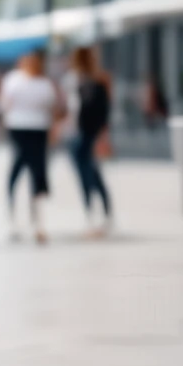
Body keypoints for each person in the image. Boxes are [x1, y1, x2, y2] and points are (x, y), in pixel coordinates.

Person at [0, 47, 63, 244]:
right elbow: (5, 104)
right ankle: (13, 219)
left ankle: (38, 222)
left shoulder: (45, 83)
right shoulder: (13, 80)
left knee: (38, 174)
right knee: (16, 171)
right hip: (18, 129)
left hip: (38, 130)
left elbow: (54, 109)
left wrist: (53, 130)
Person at [67, 43, 114, 236]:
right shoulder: (74, 82)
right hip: (75, 135)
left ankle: (101, 213)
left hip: (88, 134)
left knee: (91, 174)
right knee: (85, 175)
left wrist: (102, 136)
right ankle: (93, 213)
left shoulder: (96, 83)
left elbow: (103, 113)